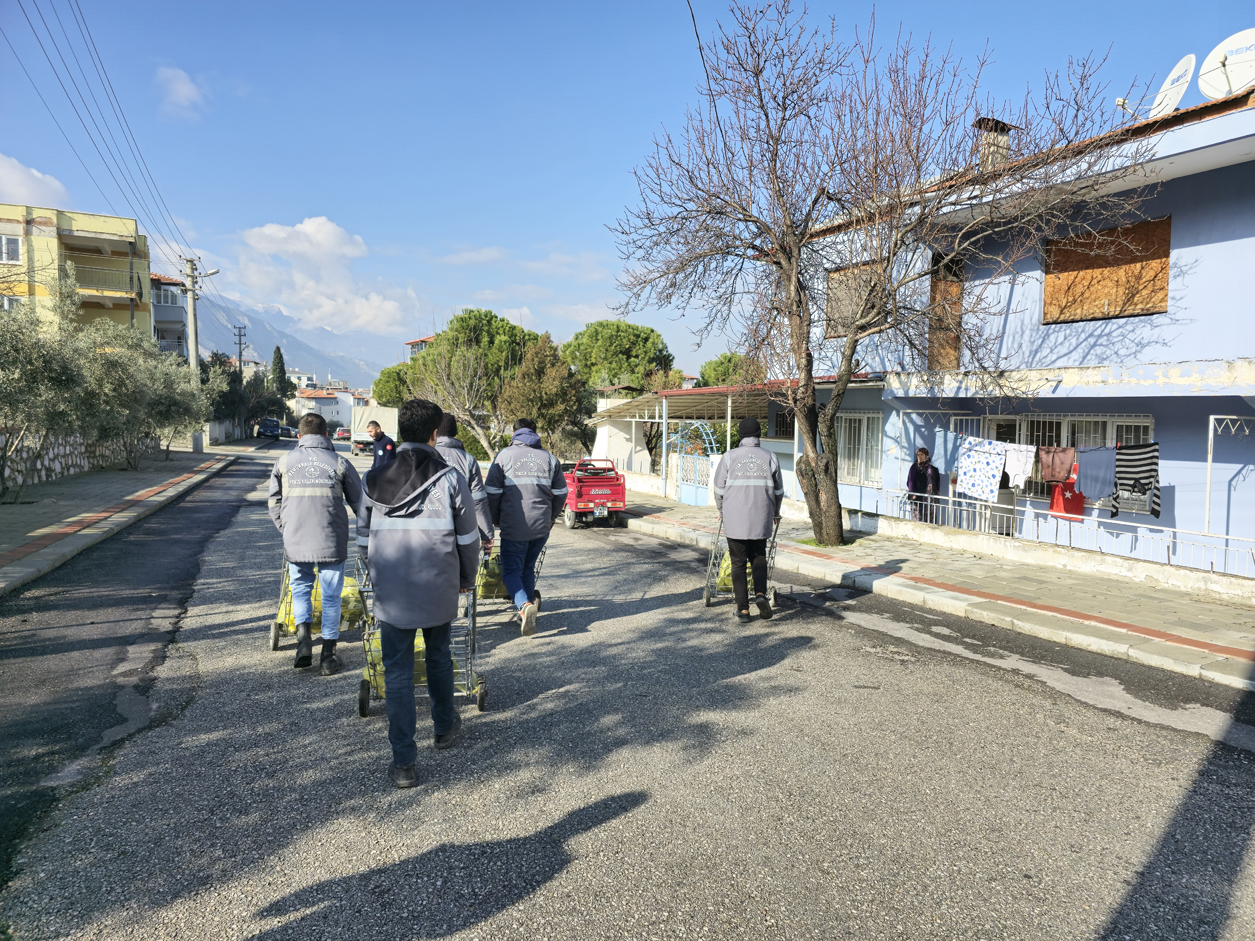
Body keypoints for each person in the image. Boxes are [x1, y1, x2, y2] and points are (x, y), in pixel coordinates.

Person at [358, 398, 480, 789]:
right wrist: (467, 577)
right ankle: (444, 728)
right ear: (434, 434)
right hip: (438, 585)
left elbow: (362, 540)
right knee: (439, 656)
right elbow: (468, 540)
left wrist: (378, 573)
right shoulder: (450, 479)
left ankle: (404, 763)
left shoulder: (373, 480)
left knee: (397, 673)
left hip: (391, 591)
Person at [267, 411, 363, 674]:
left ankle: (303, 644)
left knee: (299, 589)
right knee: (331, 597)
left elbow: (274, 502)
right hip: (332, 541)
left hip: (296, 540)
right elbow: (360, 505)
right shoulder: (340, 462)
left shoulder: (284, 462)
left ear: (299, 436)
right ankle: (329, 656)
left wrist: (286, 529)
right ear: (326, 435)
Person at [485, 418, 567, 637]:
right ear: (534, 432)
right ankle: (528, 605)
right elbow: (561, 493)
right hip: (541, 527)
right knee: (527, 568)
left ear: (514, 433)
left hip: (514, 525)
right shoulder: (550, 459)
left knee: (511, 571)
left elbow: (491, 492)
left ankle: (523, 606)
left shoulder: (504, 456)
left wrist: (494, 519)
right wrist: (550, 517)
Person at [712, 417, 784, 624]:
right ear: (758, 435)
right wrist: (775, 512)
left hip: (735, 518)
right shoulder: (771, 457)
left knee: (738, 563)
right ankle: (760, 594)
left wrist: (722, 511)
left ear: (741, 436)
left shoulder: (729, 457)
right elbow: (778, 491)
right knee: (759, 557)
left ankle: (743, 609)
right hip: (761, 516)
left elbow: (718, 490)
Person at [434, 414, 494, 550]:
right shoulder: (468, 460)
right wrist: (486, 535)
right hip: (460, 530)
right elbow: (478, 501)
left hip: (427, 530)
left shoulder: (422, 455)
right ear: (454, 432)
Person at [906, 447, 942, 523]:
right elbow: (910, 481)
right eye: (918, 455)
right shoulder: (914, 467)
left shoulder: (933, 469)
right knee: (918, 516)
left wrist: (937, 491)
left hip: (930, 497)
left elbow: (937, 480)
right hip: (918, 495)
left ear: (926, 455)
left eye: (922, 454)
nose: (919, 457)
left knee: (930, 516)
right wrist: (913, 493)